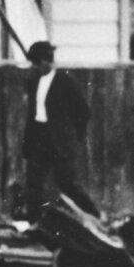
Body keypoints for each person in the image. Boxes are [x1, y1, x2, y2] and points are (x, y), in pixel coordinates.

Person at [23, 40, 98, 216]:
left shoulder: (66, 81)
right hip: (39, 138)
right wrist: (28, 143)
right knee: (33, 182)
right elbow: (31, 114)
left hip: (60, 141)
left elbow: (83, 112)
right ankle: (34, 223)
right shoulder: (34, 82)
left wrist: (72, 138)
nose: (34, 67)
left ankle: (94, 216)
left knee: (68, 183)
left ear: (45, 62)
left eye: (36, 64)